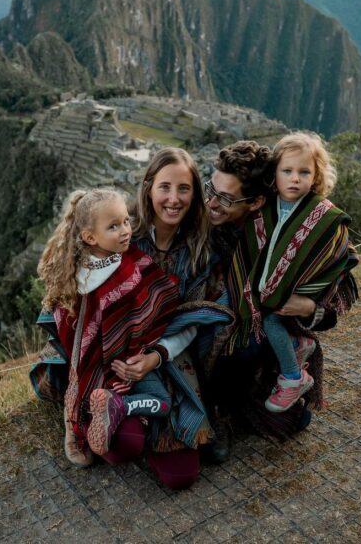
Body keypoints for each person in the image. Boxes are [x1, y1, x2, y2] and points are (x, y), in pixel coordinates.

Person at [206, 139, 357, 447]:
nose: (212, 204)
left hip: (273, 325)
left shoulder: (293, 221)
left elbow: (339, 284)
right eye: (211, 190)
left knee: (296, 420)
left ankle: (266, 385)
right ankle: (217, 409)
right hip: (228, 337)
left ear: (255, 201)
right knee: (224, 331)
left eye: (226, 198)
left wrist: (309, 307)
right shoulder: (209, 231)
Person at [30, 188, 181, 468]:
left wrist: (148, 354)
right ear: (90, 237)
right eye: (113, 226)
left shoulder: (132, 259)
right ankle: (74, 422)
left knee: (160, 405)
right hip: (95, 370)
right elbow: (77, 349)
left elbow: (159, 299)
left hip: (133, 363)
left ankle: (116, 406)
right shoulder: (79, 280)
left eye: (125, 221)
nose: (125, 231)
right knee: (159, 403)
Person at [111, 147, 233, 488]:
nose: (173, 199)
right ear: (149, 188)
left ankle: (171, 421)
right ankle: (111, 417)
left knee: (180, 476)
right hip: (118, 347)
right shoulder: (125, 236)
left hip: (171, 350)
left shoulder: (199, 249)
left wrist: (157, 356)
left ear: (195, 194)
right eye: (165, 187)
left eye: (184, 189)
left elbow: (193, 318)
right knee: (125, 443)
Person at [256, 132, 358, 412]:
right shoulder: (263, 209)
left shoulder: (324, 217)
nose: (295, 178)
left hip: (292, 300)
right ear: (274, 173)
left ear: (316, 176)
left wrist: (310, 303)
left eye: (304, 172)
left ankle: (292, 378)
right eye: (286, 171)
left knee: (271, 322)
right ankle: (296, 346)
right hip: (263, 293)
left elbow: (335, 260)